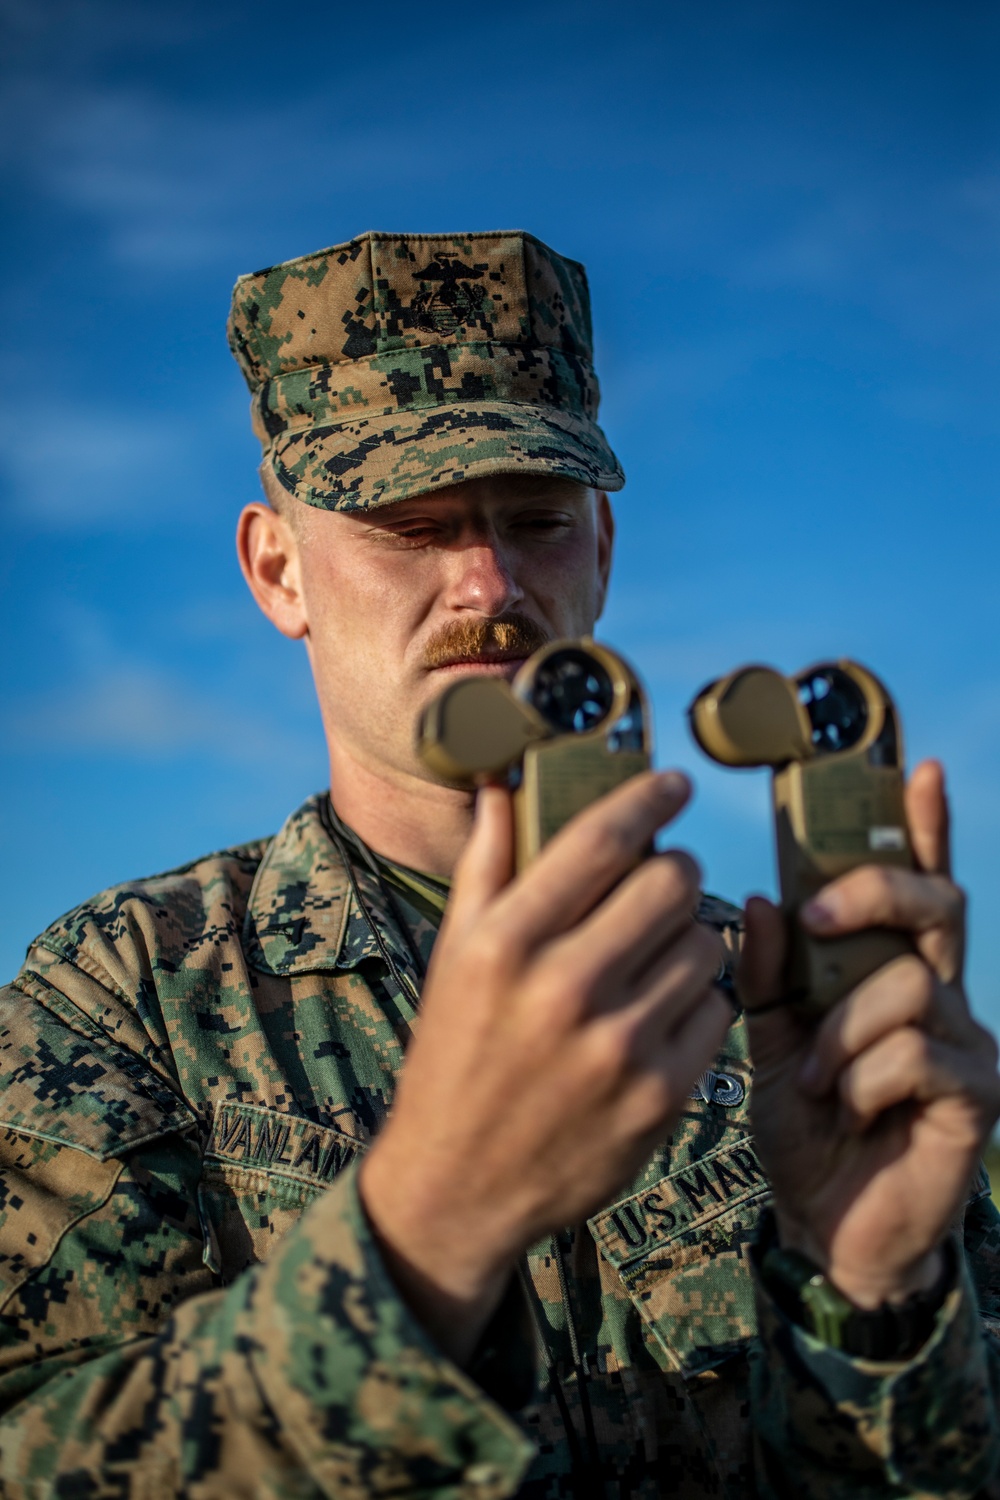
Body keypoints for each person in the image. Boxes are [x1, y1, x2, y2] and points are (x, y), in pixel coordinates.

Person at [0, 229, 998, 1500]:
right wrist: (428, 1230)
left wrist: (874, 1291)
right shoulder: (123, 998)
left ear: (603, 554)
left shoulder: (779, 1006)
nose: (487, 582)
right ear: (276, 569)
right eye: (409, 528)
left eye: (536, 521)